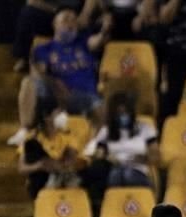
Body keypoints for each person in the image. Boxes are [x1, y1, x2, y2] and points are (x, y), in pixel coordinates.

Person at [8, 8, 110, 146]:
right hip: (55, 96)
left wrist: (105, 29)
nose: (70, 23)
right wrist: (55, 84)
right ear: (55, 24)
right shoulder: (44, 49)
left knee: (100, 103)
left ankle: (96, 143)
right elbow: (39, 74)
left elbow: (98, 41)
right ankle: (25, 130)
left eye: (74, 20)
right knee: (28, 82)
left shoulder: (84, 42)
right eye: (66, 19)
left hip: (83, 95)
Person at [18, 99, 86, 198]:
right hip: (41, 181)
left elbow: (72, 160)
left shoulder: (68, 136)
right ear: (47, 117)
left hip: (63, 177)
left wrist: (56, 164)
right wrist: (40, 165)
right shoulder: (31, 139)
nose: (63, 117)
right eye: (57, 114)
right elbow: (22, 168)